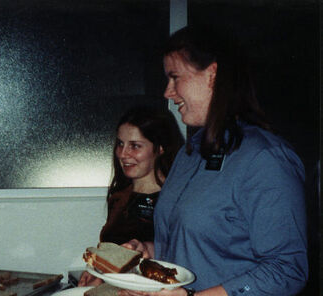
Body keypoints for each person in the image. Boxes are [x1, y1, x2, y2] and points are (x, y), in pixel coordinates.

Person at [119, 26, 308, 296]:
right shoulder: (190, 155)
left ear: (212, 74)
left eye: (175, 78)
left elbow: (287, 269)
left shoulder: (264, 159)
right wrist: (147, 250)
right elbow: (195, 244)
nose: (167, 92)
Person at [78, 106, 184, 287]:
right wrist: (97, 272)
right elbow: (114, 252)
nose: (123, 154)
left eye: (135, 146)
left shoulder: (177, 199)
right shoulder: (119, 196)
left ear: (160, 148)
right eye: (120, 144)